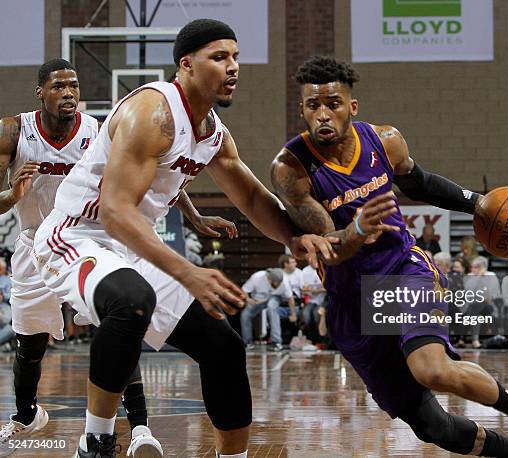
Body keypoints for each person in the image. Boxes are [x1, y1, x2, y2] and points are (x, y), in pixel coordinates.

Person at [30, 23, 333, 458]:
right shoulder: (152, 113)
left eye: (235, 57)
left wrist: (294, 238)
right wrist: (190, 272)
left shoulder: (212, 132)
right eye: (219, 57)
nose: (233, 67)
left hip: (133, 241)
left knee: (224, 346)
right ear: (186, 65)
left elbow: (249, 195)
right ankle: (95, 441)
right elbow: (116, 212)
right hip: (77, 232)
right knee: (132, 301)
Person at [270, 56, 508, 458]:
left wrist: (480, 202)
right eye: (314, 106)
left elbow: (420, 182)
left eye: (334, 103)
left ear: (352, 106)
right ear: (302, 109)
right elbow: (332, 247)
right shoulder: (292, 169)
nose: (323, 114)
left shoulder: (385, 141)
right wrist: (358, 229)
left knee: (430, 368)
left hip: (402, 269)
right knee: (431, 426)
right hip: (349, 297)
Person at [0, 59, 173, 456]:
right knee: (30, 346)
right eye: (59, 87)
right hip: (32, 244)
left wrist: (196, 218)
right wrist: (13, 195)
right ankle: (27, 415)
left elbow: (152, 176)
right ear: (40, 92)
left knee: (118, 326)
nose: (68, 94)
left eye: (74, 86)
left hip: (85, 242)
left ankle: (142, 429)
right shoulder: (13, 131)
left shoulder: (98, 131)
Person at [240, 268, 293, 351]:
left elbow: (290, 298)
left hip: (275, 297)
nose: (277, 285)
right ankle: (247, 342)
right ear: (269, 279)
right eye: (275, 283)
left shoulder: (284, 282)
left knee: (271, 307)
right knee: (245, 314)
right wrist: (249, 300)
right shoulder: (257, 277)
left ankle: (276, 341)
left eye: (279, 283)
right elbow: (244, 290)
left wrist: (293, 314)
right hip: (258, 300)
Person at [463, 256, 500, 349]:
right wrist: (478, 277)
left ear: (483, 267)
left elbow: (493, 294)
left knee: (478, 305)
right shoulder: (469, 277)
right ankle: (475, 340)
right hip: (472, 305)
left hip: (489, 306)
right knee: (475, 311)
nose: (473, 269)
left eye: (476, 267)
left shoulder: (491, 275)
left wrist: (483, 279)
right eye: (473, 267)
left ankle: (473, 340)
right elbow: (468, 294)